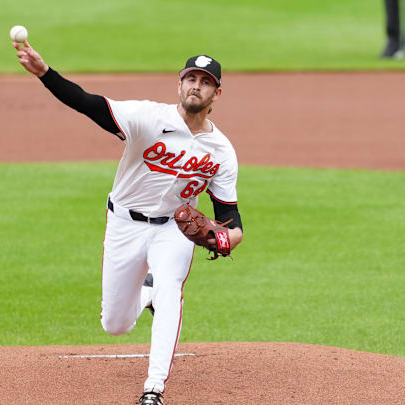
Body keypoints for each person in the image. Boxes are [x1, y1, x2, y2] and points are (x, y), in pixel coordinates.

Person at [13, 40, 244, 405]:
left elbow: (230, 218)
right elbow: (89, 103)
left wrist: (228, 238)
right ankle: (145, 292)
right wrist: (45, 73)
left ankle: (153, 388)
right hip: (125, 224)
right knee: (115, 324)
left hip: (174, 229)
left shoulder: (222, 152)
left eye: (205, 81)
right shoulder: (147, 117)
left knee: (171, 292)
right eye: (190, 78)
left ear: (217, 91)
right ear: (179, 84)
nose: (196, 85)